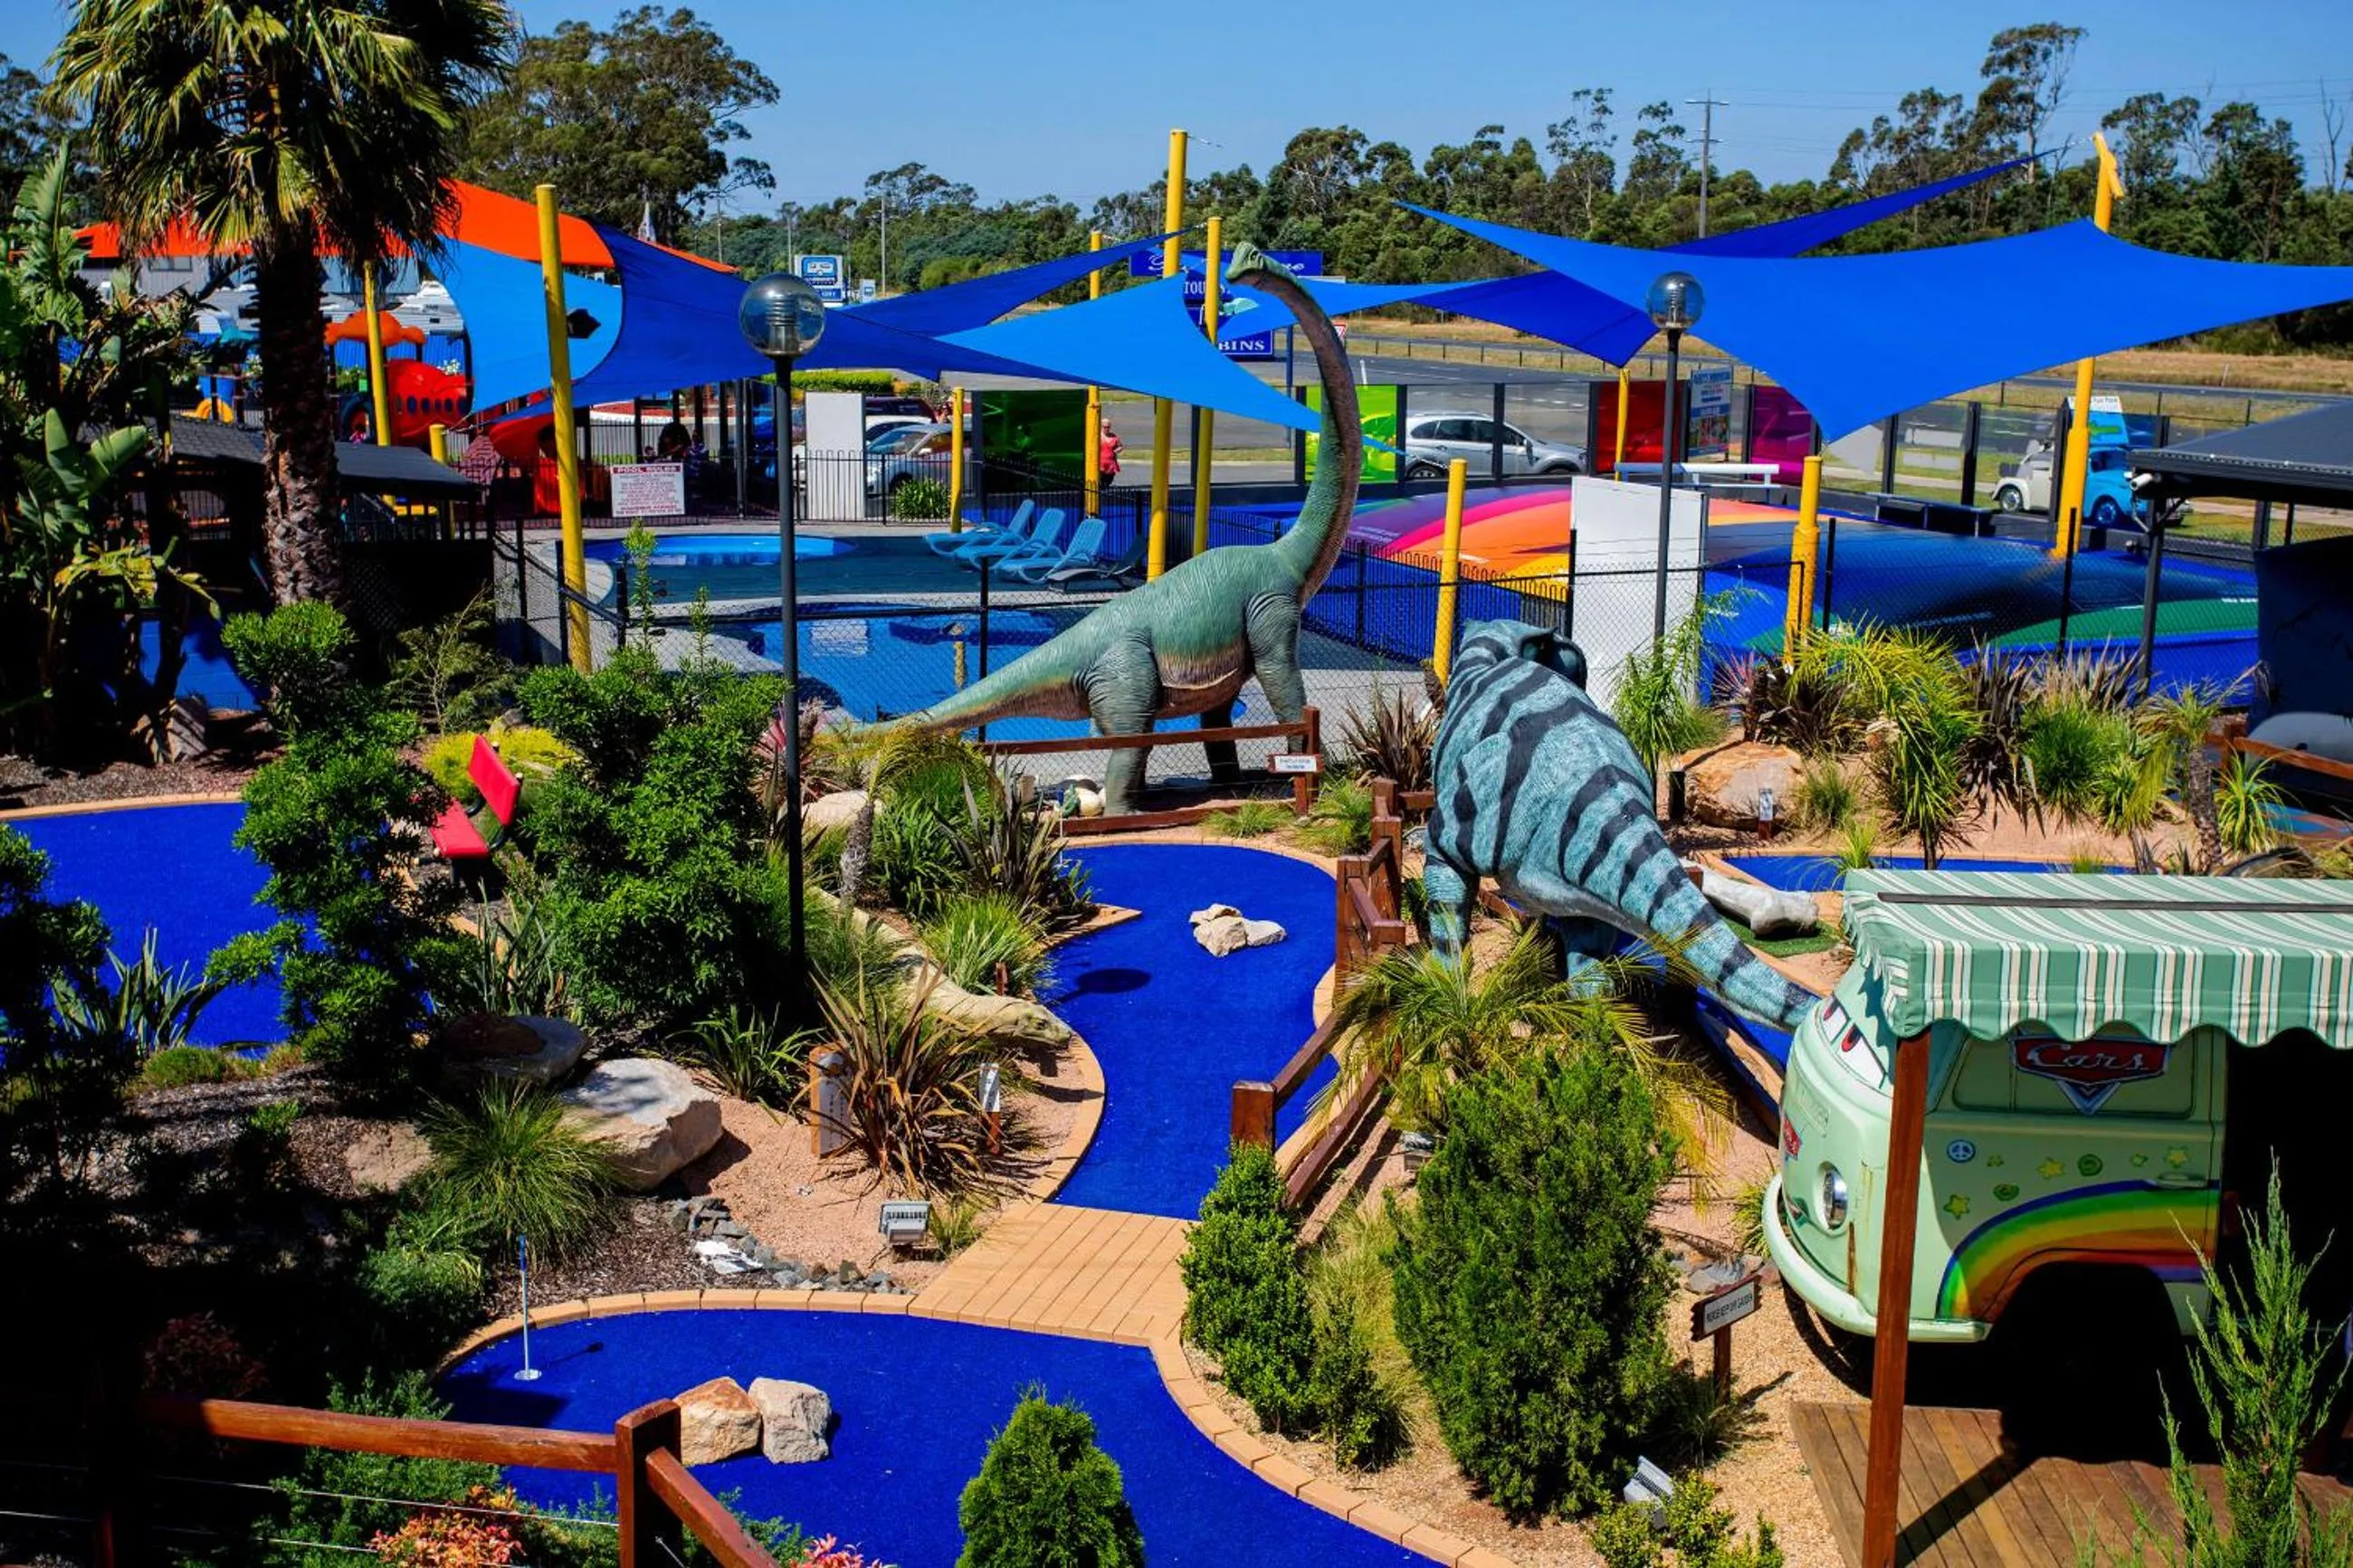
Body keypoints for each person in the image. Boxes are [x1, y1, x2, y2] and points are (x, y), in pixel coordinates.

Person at [1098, 421, 1124, 492]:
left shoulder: (1113, 436)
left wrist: (1116, 451)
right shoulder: (1097, 436)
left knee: (1108, 481)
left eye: (1108, 427)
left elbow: (1121, 446)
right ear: (1101, 426)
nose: (1107, 429)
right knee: (1100, 481)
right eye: (1105, 427)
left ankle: (1105, 491)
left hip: (1111, 464)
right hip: (1100, 464)